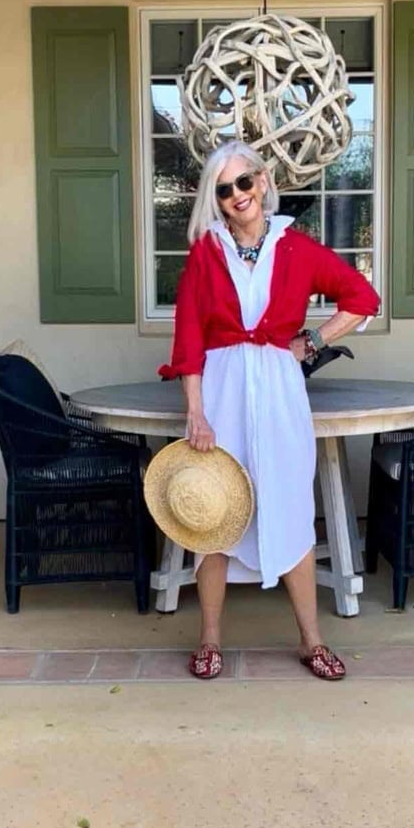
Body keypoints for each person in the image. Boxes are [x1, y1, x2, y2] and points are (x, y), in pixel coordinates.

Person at [159, 141, 380, 680]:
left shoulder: (295, 247)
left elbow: (362, 298)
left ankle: (311, 641)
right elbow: (188, 338)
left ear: (262, 182)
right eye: (224, 189)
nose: (237, 195)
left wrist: (311, 342)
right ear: (216, 199)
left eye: (244, 183)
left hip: (280, 390)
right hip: (223, 388)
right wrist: (197, 413)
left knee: (288, 508)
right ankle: (209, 638)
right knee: (212, 510)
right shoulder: (206, 253)